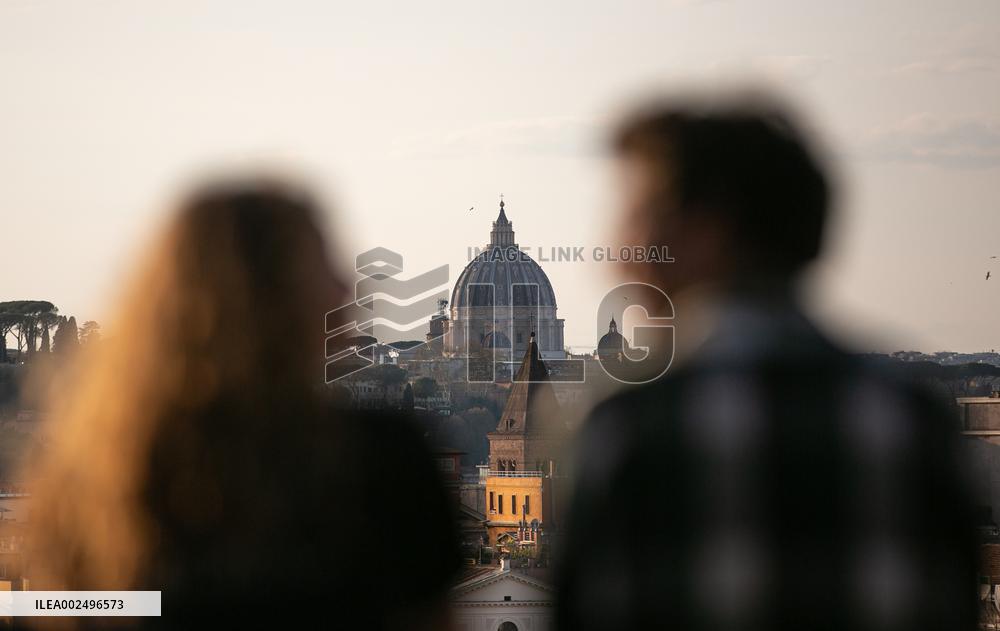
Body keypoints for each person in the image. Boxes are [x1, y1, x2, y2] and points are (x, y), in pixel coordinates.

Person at [556, 94, 978, 631]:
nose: (615, 246)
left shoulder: (628, 427)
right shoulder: (917, 418)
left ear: (707, 229)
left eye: (637, 215)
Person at [27, 179, 459, 628]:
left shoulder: (95, 473)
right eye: (322, 263)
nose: (346, 285)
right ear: (262, 293)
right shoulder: (380, 460)